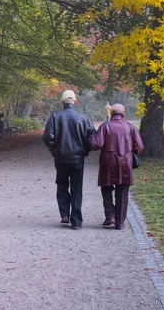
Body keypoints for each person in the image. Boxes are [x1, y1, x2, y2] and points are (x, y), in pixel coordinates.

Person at [42, 90, 97, 230]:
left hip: (61, 158)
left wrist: (54, 150)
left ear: (62, 102)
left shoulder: (55, 117)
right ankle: (76, 221)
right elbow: (93, 138)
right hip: (78, 158)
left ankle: (64, 214)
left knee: (62, 185)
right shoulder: (84, 118)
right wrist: (86, 150)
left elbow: (48, 137)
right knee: (77, 188)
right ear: (75, 102)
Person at [88, 104, 144, 230]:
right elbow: (139, 146)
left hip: (108, 162)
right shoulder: (130, 127)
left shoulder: (105, 126)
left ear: (112, 114)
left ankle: (110, 216)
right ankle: (119, 222)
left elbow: (96, 144)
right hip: (125, 162)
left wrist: (90, 138)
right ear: (123, 114)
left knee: (106, 188)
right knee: (123, 192)